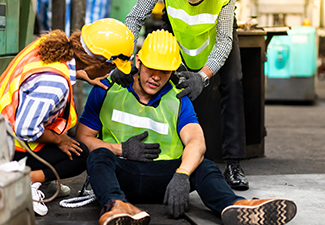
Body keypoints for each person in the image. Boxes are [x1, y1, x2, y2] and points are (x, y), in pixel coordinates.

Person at [75, 29, 296, 225]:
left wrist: (182, 175)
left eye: (165, 71)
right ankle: (117, 207)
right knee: (99, 156)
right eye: (151, 68)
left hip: (166, 179)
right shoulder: (107, 89)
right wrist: (121, 149)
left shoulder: (178, 98)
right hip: (122, 172)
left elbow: (196, 142)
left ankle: (237, 206)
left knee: (205, 166)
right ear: (139, 62)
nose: (156, 77)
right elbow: (82, 138)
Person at [0, 18, 135, 216]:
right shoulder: (54, 82)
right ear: (98, 63)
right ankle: (23, 180)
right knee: (80, 155)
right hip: (10, 145)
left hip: (4, 132)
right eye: (110, 67)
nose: (109, 72)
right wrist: (59, 139)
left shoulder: (49, 43)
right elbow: (25, 129)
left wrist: (82, 74)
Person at [110, 0, 249, 191]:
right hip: (177, 29)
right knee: (170, 81)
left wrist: (202, 77)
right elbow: (135, 17)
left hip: (216, 36)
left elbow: (224, 41)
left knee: (233, 82)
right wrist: (124, 59)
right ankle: (171, 153)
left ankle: (234, 164)